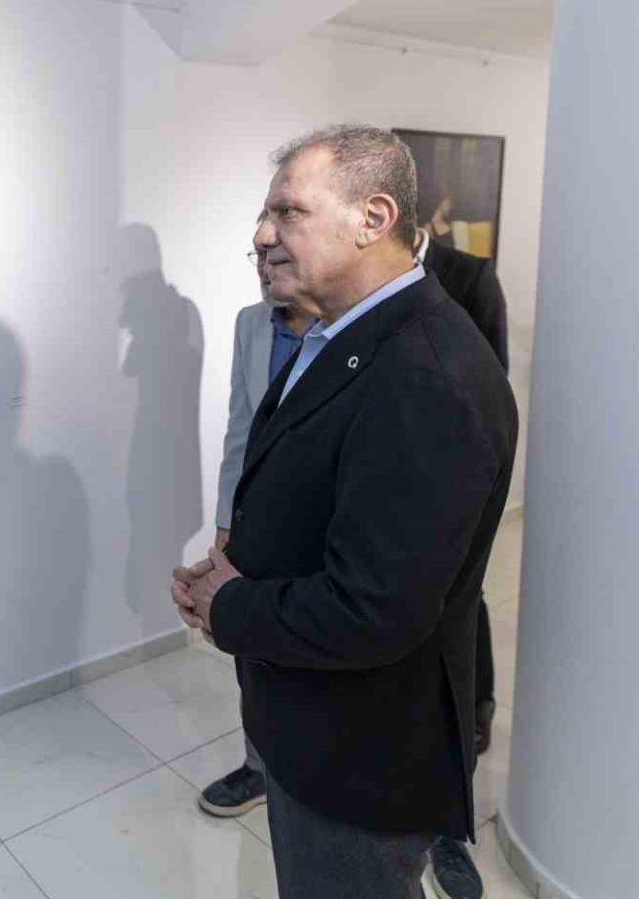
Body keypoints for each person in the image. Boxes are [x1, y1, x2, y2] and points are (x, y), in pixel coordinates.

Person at [174, 125, 517, 899]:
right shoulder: (347, 335)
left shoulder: (425, 375)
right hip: (313, 726)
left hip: (358, 761)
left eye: (288, 212)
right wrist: (236, 567)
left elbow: (373, 609)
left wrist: (230, 607)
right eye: (265, 214)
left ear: (374, 217)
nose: (262, 234)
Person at [197, 245, 313, 818]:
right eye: (258, 254)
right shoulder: (251, 323)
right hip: (256, 518)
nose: (266, 266)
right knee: (251, 649)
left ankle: (308, 774)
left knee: (311, 649)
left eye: (277, 254)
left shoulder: (347, 326)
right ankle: (259, 766)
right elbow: (239, 429)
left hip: (319, 521)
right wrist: (225, 521)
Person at [417, 224, 510, 898]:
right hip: (392, 491)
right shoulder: (360, 284)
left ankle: (453, 824)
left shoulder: (470, 277)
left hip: (455, 488)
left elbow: (491, 389)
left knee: (461, 617)